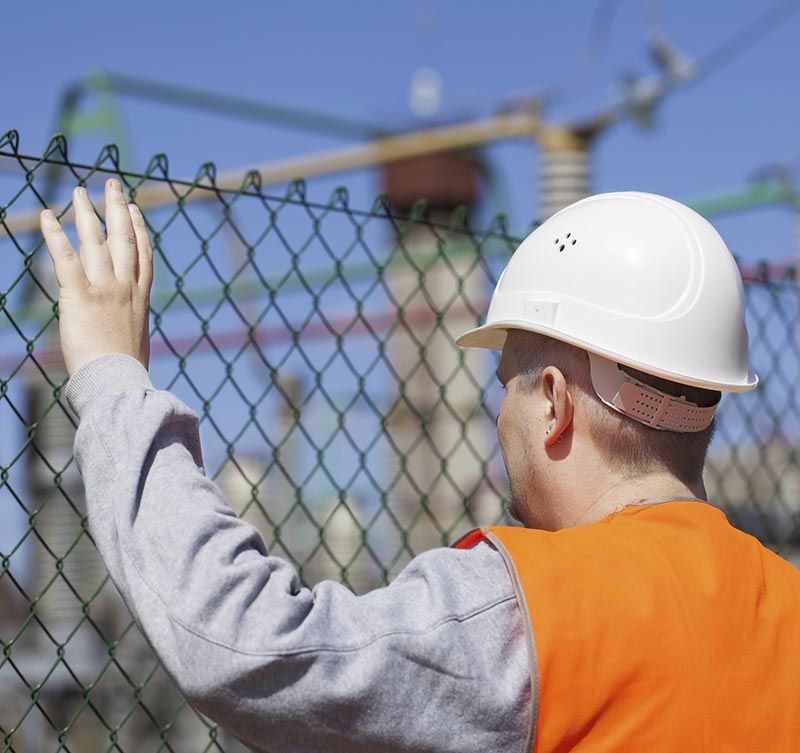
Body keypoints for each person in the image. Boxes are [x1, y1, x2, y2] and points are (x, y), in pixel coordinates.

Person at [41, 183, 800, 753]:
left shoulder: (527, 612)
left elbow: (245, 645)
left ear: (555, 405)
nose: (496, 412)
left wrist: (112, 376)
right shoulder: (786, 607)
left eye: (505, 380)